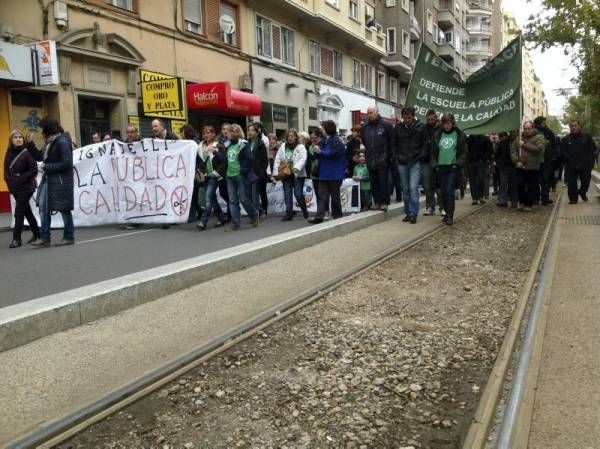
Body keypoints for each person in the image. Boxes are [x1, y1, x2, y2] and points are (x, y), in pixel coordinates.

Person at [31, 117, 75, 247]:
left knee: (64, 209)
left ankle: (69, 236)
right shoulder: (51, 142)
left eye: (44, 129)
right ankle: (45, 238)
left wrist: (47, 167)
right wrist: (30, 145)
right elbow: (40, 156)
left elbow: (67, 163)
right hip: (49, 180)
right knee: (43, 208)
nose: (42, 132)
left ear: (49, 130)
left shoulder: (61, 142)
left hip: (60, 182)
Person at [4, 130, 41, 248]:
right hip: (15, 188)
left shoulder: (27, 152)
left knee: (19, 212)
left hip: (26, 187)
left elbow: (33, 170)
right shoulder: (9, 152)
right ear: (11, 140)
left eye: (20, 137)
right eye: (15, 137)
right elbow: (6, 170)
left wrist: (20, 180)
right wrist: (9, 182)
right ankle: (37, 234)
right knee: (27, 212)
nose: (19, 139)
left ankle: (16, 239)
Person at [431, 113, 467, 225]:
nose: (446, 126)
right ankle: (446, 213)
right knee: (443, 192)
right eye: (444, 123)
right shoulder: (437, 135)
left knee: (450, 191)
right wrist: (435, 165)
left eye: (448, 123)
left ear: (452, 123)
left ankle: (450, 216)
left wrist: (457, 164)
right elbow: (432, 152)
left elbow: (464, 152)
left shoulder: (458, 134)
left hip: (452, 167)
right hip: (441, 167)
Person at [308, 120, 346, 224]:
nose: (321, 130)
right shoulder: (324, 140)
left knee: (335, 197)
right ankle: (319, 216)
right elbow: (315, 156)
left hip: (335, 174)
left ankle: (337, 216)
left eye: (323, 128)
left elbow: (332, 153)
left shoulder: (337, 141)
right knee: (321, 195)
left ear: (328, 129)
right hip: (324, 174)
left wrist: (320, 151)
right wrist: (313, 150)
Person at [394, 106, 426, 224]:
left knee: (413, 188)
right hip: (402, 162)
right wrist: (396, 158)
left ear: (413, 116)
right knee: (405, 189)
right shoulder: (398, 128)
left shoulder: (420, 127)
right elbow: (394, 144)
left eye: (409, 117)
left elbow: (424, 144)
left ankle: (413, 213)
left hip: (415, 161)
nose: (407, 119)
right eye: (405, 117)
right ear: (402, 117)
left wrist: (420, 155)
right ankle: (407, 212)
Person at [225, 124, 259, 231]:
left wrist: (242, 170)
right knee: (232, 200)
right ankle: (235, 223)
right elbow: (224, 158)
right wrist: (217, 152)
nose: (227, 134)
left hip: (240, 175)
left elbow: (249, 159)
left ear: (235, 133)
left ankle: (254, 215)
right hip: (229, 176)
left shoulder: (243, 144)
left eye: (229, 132)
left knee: (244, 199)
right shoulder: (227, 144)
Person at [361, 105, 394, 211]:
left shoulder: (385, 125)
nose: (369, 115)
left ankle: (384, 202)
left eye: (371, 113)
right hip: (371, 158)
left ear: (377, 112)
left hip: (383, 159)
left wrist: (390, 156)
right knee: (374, 182)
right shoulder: (365, 127)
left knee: (383, 182)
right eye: (368, 113)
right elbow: (364, 141)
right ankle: (377, 202)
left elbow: (392, 141)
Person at [273, 129, 309, 221]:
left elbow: (303, 158)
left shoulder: (300, 147)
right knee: (287, 194)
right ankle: (289, 214)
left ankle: (305, 211)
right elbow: (277, 159)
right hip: (286, 174)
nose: (290, 138)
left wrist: (296, 168)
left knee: (298, 194)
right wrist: (275, 173)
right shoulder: (283, 146)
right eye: (288, 136)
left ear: (296, 137)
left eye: (292, 136)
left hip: (298, 174)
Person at [196, 125, 226, 230]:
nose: (206, 135)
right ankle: (221, 218)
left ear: (213, 134)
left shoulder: (219, 145)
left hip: (214, 176)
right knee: (212, 200)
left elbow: (223, 162)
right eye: (204, 133)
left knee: (208, 198)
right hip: (205, 176)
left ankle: (203, 222)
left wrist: (216, 172)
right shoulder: (200, 146)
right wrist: (200, 170)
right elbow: (199, 161)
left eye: (209, 132)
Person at [561, 120, 598, 204]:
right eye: (572, 126)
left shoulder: (587, 137)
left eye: (575, 125)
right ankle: (573, 199)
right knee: (571, 183)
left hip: (585, 165)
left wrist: (591, 161)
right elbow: (563, 151)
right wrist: (568, 159)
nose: (574, 127)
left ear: (579, 126)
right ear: (570, 128)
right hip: (571, 165)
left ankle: (582, 192)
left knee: (586, 181)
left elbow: (593, 149)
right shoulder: (566, 139)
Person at [511, 120, 545, 211]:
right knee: (520, 185)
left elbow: (538, 149)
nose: (527, 130)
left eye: (529, 128)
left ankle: (528, 204)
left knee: (531, 187)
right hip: (520, 166)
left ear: (532, 128)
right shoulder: (519, 138)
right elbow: (513, 150)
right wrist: (516, 161)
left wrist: (524, 145)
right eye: (525, 129)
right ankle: (522, 202)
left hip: (533, 167)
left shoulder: (539, 137)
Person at [247, 123, 269, 219]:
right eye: (249, 130)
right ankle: (260, 210)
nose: (250, 132)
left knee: (255, 195)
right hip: (248, 173)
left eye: (252, 130)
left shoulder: (260, 144)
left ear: (257, 132)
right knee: (249, 196)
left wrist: (261, 171)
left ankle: (256, 215)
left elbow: (265, 160)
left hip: (257, 174)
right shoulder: (246, 144)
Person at [422, 109, 440, 215]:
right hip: (425, 160)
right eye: (428, 119)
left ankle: (442, 207)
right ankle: (430, 206)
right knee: (427, 185)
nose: (430, 121)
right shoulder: (423, 129)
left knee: (439, 186)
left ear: (436, 118)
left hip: (438, 160)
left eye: (432, 119)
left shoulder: (441, 129)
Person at [466, 134, 492, 205]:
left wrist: (484, 158)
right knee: (472, 180)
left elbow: (489, 149)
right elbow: (465, 149)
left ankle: (480, 196)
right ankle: (474, 198)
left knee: (480, 179)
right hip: (471, 162)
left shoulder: (484, 138)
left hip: (480, 162)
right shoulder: (469, 139)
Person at [495, 131, 519, 208]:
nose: (513, 133)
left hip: (514, 166)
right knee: (503, 183)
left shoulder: (519, 141)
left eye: (515, 132)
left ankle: (514, 201)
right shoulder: (503, 142)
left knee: (513, 184)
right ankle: (503, 201)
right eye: (512, 132)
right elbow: (497, 154)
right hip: (504, 166)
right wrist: (499, 163)